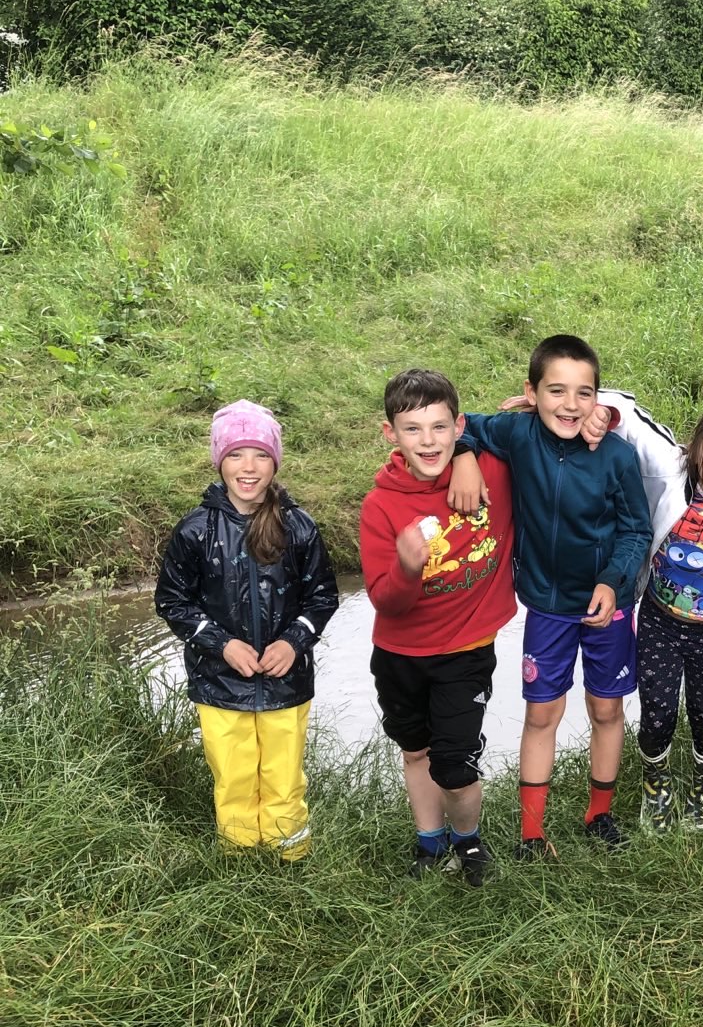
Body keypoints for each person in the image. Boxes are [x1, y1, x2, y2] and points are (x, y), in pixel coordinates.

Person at [454, 335, 652, 860]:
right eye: (556, 391)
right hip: (546, 605)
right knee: (542, 715)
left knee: (606, 709)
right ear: (531, 392)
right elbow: (464, 424)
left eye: (584, 393)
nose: (570, 405)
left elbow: (636, 530)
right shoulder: (517, 433)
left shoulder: (617, 456)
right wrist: (465, 456)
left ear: (597, 398)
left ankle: (599, 814)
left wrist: (613, 581)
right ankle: (532, 834)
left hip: (608, 609)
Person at [154, 400, 338, 861]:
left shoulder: (299, 527)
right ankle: (239, 863)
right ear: (220, 461)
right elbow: (172, 600)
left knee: (284, 776)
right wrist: (221, 644)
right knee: (233, 777)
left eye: (260, 454)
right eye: (236, 454)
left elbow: (323, 597)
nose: (249, 467)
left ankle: (291, 860)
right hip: (218, 684)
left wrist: (294, 640)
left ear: (275, 461)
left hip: (286, 684)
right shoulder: (195, 530)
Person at [358, 369, 517, 886]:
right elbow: (386, 600)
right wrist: (407, 567)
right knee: (416, 751)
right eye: (412, 429)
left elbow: (551, 421)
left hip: (466, 651)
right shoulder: (380, 505)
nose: (428, 441)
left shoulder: (493, 471)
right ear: (390, 434)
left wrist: (469, 453)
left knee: (455, 763)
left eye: (440, 427)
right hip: (399, 654)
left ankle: (468, 842)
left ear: (458, 426)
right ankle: (430, 843)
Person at [603, 395, 703, 832]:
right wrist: (594, 406)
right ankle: (655, 788)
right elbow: (633, 419)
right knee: (657, 712)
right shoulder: (671, 472)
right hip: (659, 623)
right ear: (695, 450)